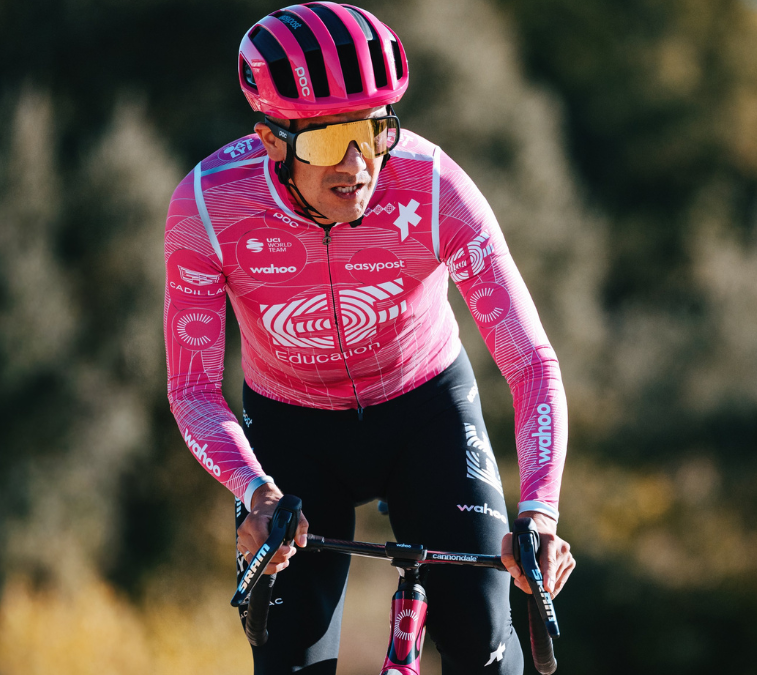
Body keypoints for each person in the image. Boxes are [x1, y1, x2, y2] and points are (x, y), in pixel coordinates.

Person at [163, 4, 573, 673]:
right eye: (329, 141)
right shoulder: (209, 207)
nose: (357, 164)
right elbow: (191, 388)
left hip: (426, 413)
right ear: (270, 141)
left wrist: (541, 513)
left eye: (372, 131)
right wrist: (255, 491)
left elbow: (530, 361)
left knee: (484, 641)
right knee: (288, 658)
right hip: (292, 434)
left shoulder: (433, 186)